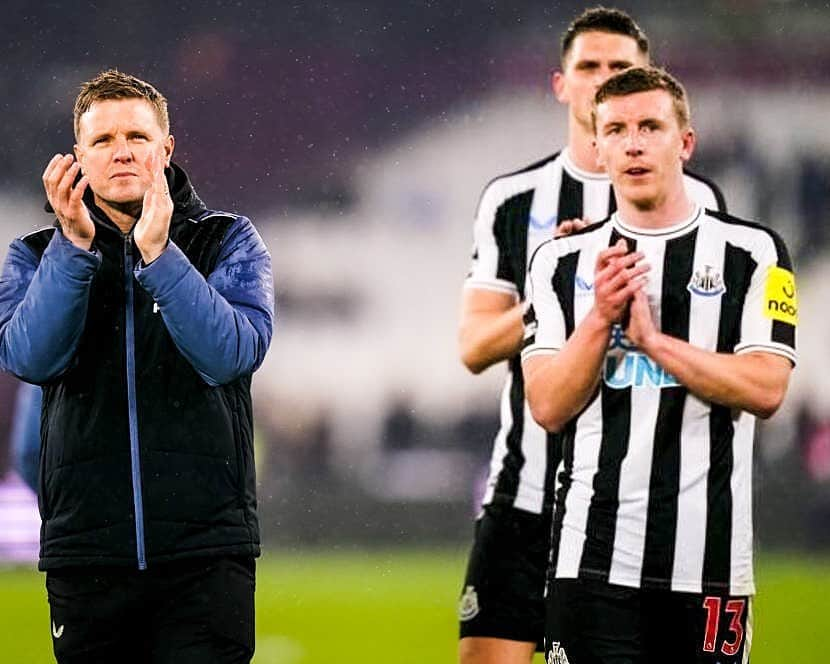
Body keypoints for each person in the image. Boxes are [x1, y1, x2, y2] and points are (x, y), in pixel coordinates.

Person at [457, 8, 725, 663]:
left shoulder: (697, 203)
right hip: (527, 487)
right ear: (562, 84)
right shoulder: (515, 200)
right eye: (589, 67)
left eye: (620, 68)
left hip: (637, 499)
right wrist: (554, 291)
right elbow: (472, 347)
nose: (603, 78)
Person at [522, 66, 795, 663]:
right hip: (589, 563)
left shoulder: (755, 253)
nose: (634, 143)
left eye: (651, 126)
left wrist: (654, 342)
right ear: (598, 146)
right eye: (616, 129)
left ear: (685, 142)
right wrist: (599, 321)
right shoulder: (559, 262)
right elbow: (546, 404)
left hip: (710, 572)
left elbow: (767, 387)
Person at [0, 69, 274, 664]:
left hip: (204, 554)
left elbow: (230, 354)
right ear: (77, 157)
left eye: (137, 136)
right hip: (86, 556)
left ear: (166, 149)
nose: (120, 151)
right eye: (101, 140)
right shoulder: (34, 255)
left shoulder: (226, 240)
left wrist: (159, 253)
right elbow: (29, 357)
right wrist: (72, 252)